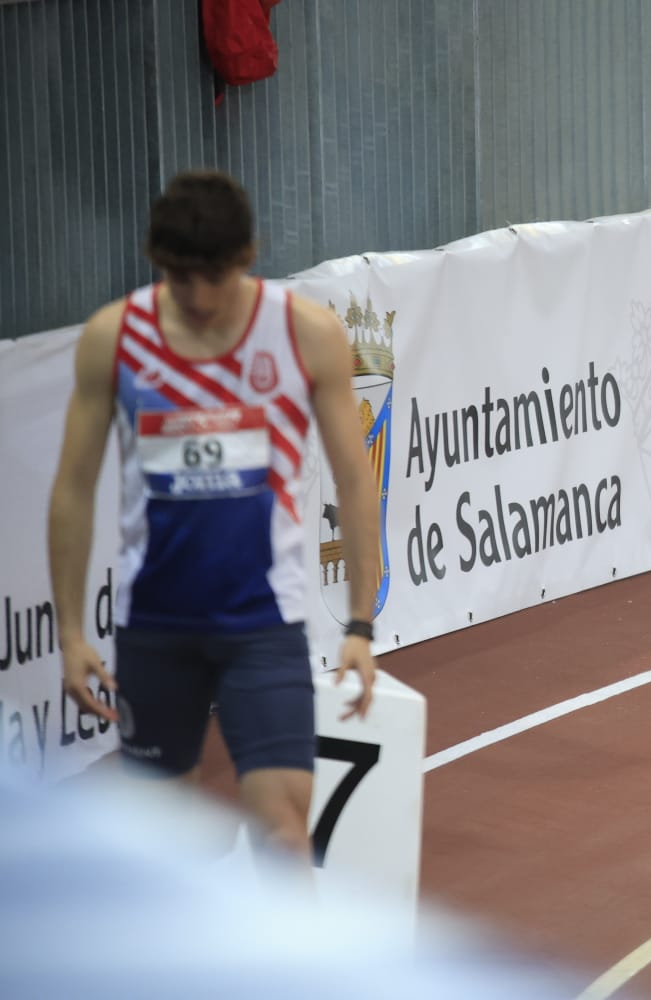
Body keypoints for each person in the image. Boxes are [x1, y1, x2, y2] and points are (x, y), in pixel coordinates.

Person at [47, 169, 381, 866]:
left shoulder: (305, 335)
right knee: (162, 859)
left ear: (248, 256)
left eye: (214, 279)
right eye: (180, 278)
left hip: (263, 625)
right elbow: (73, 488)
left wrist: (359, 622)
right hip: (156, 632)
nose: (198, 299)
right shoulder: (116, 337)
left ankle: (289, 978)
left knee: (285, 833)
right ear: (154, 261)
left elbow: (354, 480)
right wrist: (72, 632)